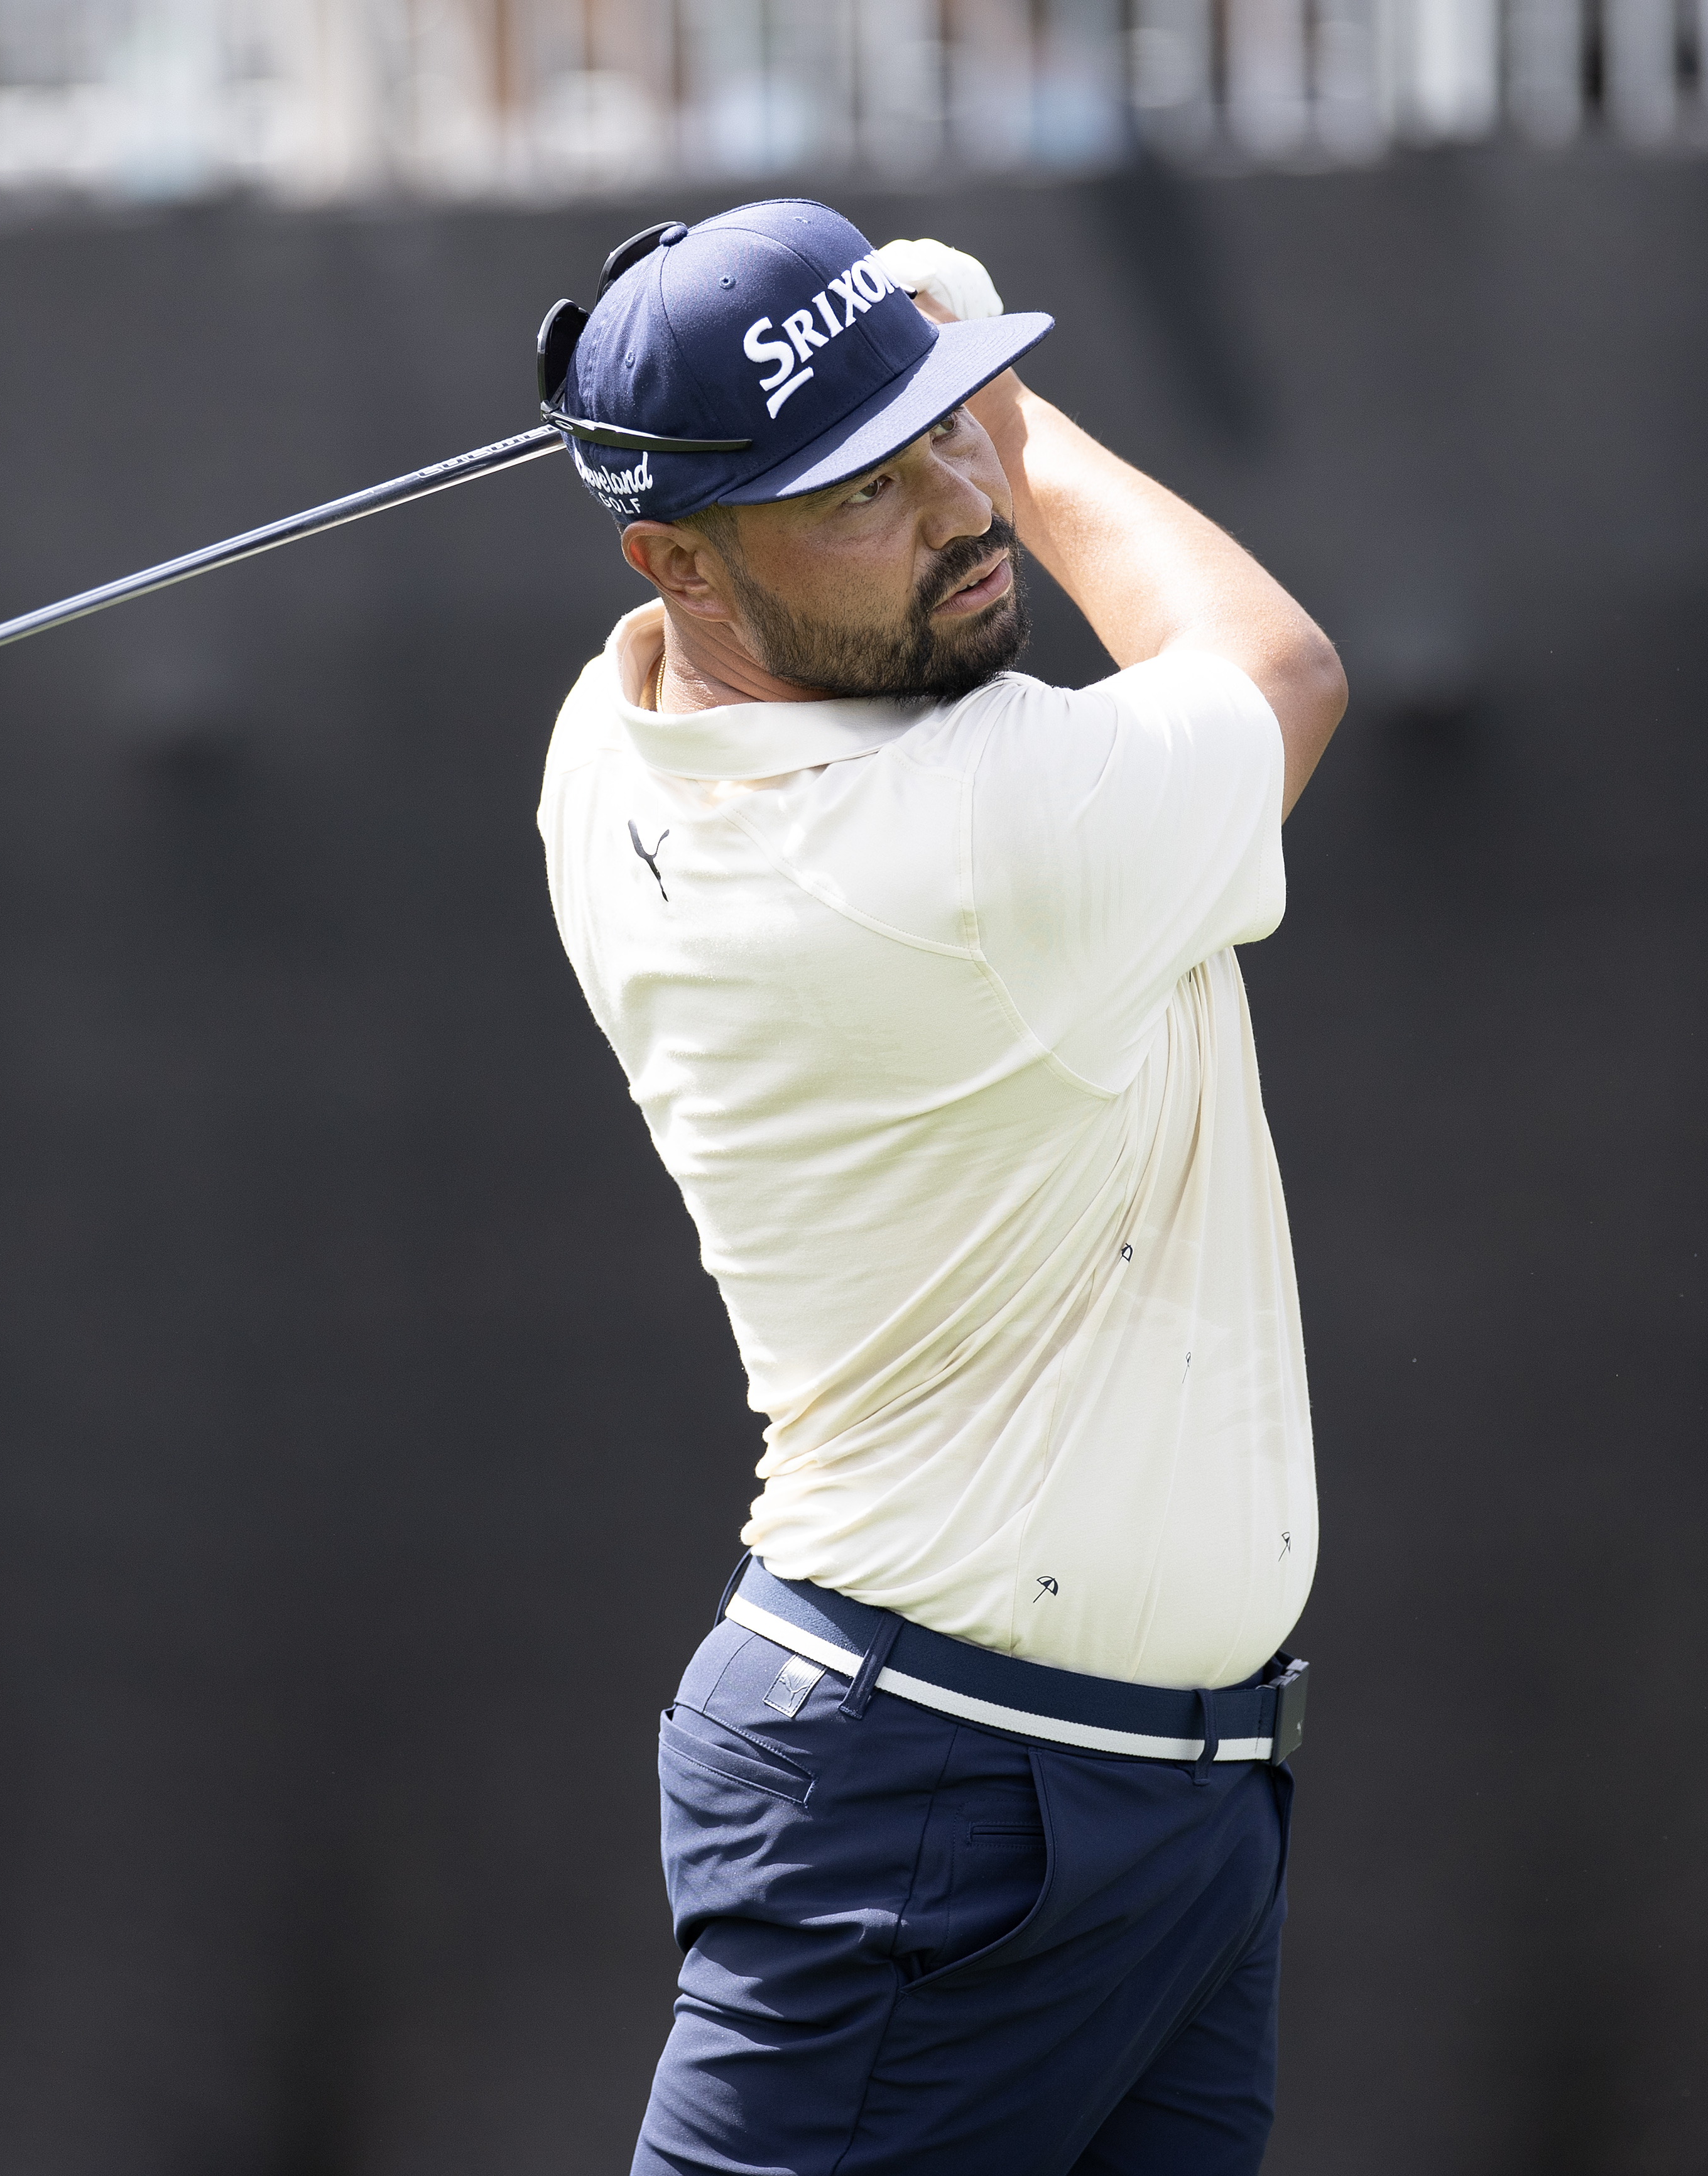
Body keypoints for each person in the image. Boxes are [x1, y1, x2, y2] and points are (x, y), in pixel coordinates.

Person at [533, 200, 1347, 2176]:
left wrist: (867, 381)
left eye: (947, 438)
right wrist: (1014, 401)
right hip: (943, 1819)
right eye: (863, 493)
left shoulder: (615, 730)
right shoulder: (962, 845)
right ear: (679, 562)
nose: (961, 510)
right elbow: (1280, 666)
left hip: (1146, 1811)